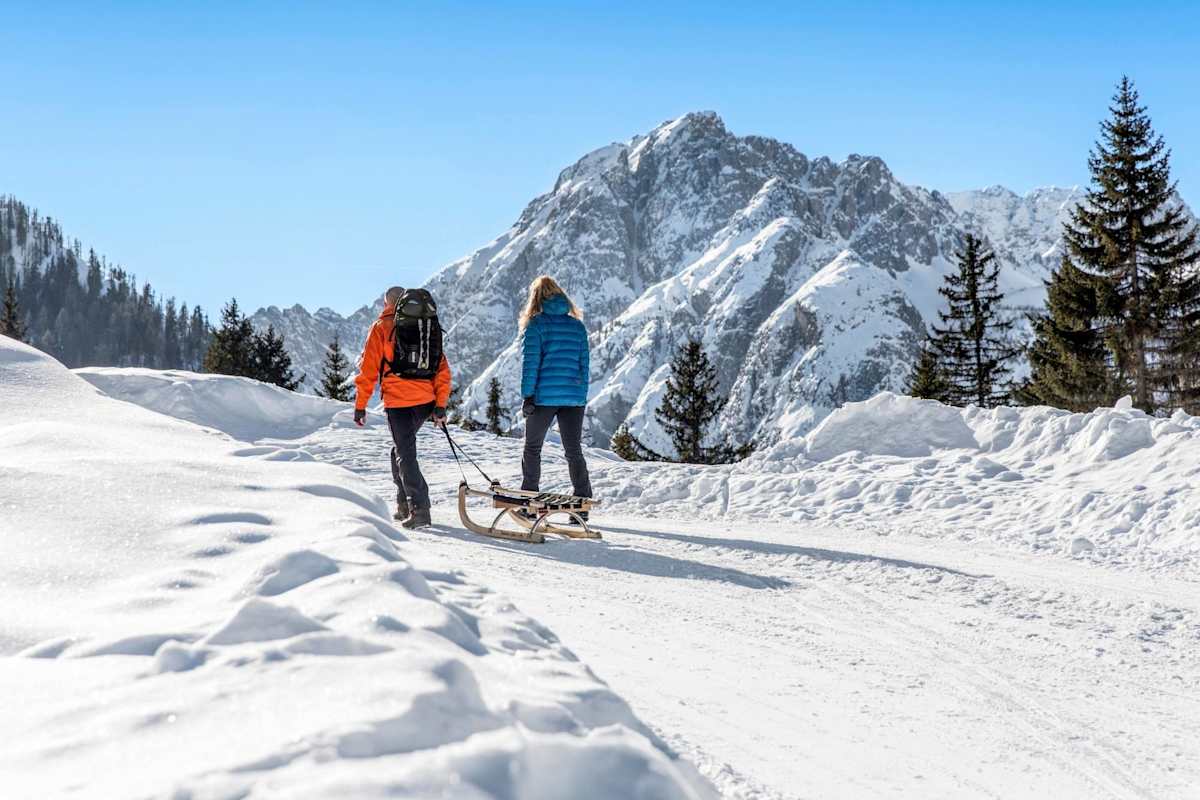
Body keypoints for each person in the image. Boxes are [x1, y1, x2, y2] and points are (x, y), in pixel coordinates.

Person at [353, 285, 451, 529]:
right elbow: (442, 370)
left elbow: (368, 370)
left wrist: (360, 405)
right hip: (426, 401)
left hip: (399, 402)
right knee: (399, 450)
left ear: (387, 303)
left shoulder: (382, 327)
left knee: (405, 453)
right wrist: (440, 405)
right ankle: (403, 503)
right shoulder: (426, 326)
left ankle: (420, 509)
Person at [519, 275, 592, 519]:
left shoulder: (536, 325)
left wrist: (528, 395)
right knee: (573, 450)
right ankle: (582, 502)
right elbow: (584, 365)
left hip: (544, 398)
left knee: (532, 448)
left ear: (536, 298)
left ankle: (529, 501)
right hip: (573, 397)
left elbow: (531, 364)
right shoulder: (577, 326)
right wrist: (580, 395)